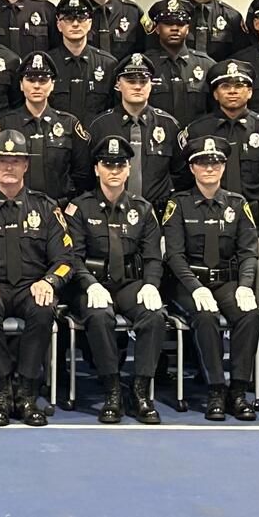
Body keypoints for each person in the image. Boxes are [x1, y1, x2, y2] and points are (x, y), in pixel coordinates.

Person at [0, 130, 73, 427]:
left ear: (26, 166)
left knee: (44, 311)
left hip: (31, 286)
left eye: (16, 160)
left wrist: (49, 282)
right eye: (3, 160)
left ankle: (27, 391)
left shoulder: (45, 208)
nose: (9, 166)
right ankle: (1, 390)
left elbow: (65, 259)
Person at [65, 135, 166, 424]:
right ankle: (112, 391)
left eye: (119, 165)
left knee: (154, 315)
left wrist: (151, 284)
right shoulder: (80, 208)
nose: (114, 171)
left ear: (128, 169)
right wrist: (89, 283)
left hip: (128, 284)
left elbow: (152, 256)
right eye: (107, 165)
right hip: (92, 284)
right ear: (96, 169)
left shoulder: (142, 209)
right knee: (98, 316)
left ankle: (140, 391)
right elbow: (72, 256)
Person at [163, 135, 259, 422]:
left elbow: (249, 252)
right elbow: (174, 255)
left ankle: (239, 391)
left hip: (227, 282)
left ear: (223, 166)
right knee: (205, 317)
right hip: (188, 283)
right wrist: (194, 287)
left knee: (250, 314)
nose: (209, 168)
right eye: (202, 163)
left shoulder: (237, 203)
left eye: (215, 162)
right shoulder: (178, 204)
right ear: (192, 168)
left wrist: (245, 285)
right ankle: (216, 390)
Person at [181, 60, 259, 233]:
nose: (232, 91)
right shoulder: (196, 131)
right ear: (215, 94)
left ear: (250, 92)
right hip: (206, 220)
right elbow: (182, 175)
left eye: (239, 85)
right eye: (225, 86)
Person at [0, 53, 92, 203]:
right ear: (21, 85)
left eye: (43, 80)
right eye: (30, 80)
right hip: (15, 208)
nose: (36, 85)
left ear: (52, 84)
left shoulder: (69, 124)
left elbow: (82, 173)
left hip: (59, 207)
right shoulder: (4, 124)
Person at [85, 54, 185, 210]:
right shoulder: (100, 125)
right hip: (110, 211)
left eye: (143, 81)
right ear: (118, 84)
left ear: (151, 84)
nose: (138, 86)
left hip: (157, 212)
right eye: (131, 81)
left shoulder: (169, 124)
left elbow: (181, 173)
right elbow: (88, 173)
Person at [143, 0, 215, 130]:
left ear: (187, 29)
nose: (175, 28)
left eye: (180, 24)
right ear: (157, 29)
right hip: (156, 137)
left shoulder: (206, 65)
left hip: (196, 138)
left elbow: (215, 110)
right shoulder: (144, 65)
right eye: (168, 24)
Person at [46, 0, 119, 122]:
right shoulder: (48, 63)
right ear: (58, 25)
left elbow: (115, 110)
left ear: (90, 23)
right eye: (68, 19)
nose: (75, 24)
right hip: (57, 138)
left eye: (81, 18)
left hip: (96, 137)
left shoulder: (108, 64)